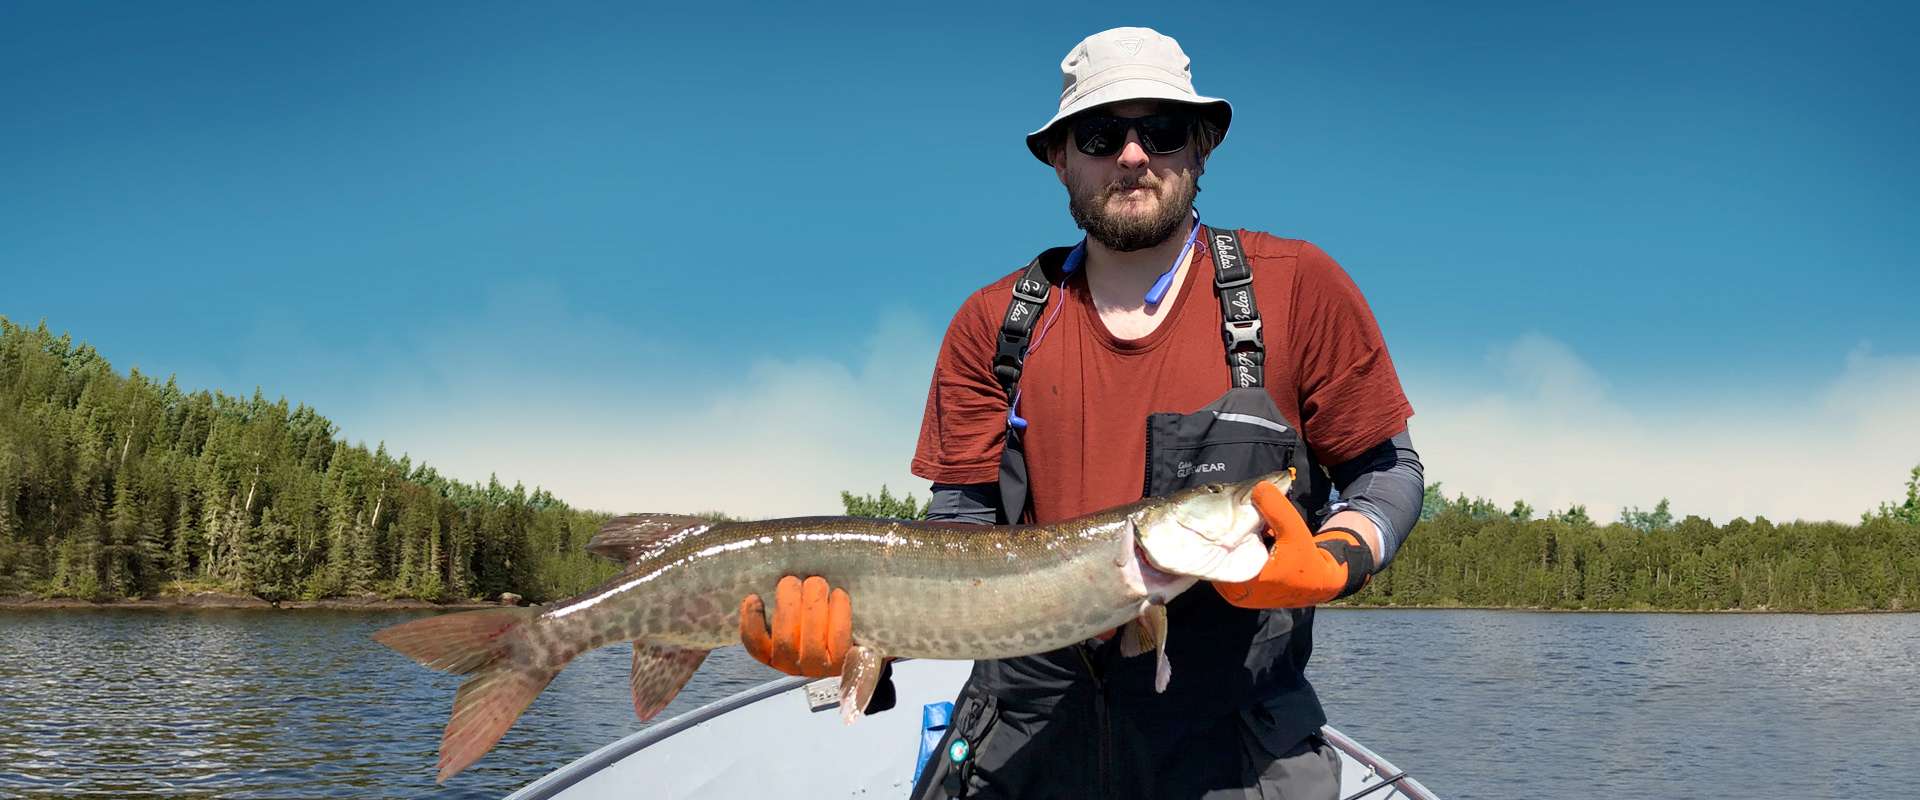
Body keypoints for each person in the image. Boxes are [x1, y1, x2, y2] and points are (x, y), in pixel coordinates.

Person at [738, 27, 1425, 799]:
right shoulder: (991, 324)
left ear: (1201, 147)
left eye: (1161, 130)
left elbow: (1386, 470)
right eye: (1100, 135)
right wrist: (864, 630)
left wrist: (1340, 554)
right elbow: (959, 530)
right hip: (1026, 731)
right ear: (1059, 158)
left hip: (1231, 740)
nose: (1132, 155)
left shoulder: (1299, 288)